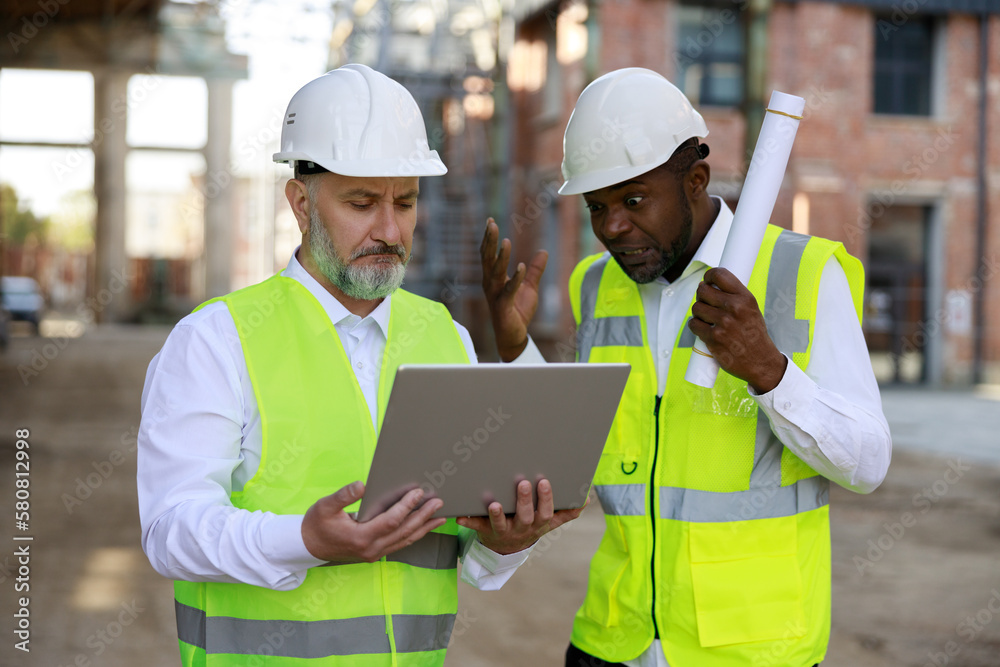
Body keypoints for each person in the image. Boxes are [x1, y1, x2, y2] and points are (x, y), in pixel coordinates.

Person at [138, 63, 581, 667]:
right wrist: (303, 541)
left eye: (405, 201)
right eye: (362, 202)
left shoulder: (444, 337)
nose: (390, 229)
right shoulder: (217, 340)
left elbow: (464, 555)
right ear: (300, 202)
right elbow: (171, 531)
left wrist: (506, 542)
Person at [481, 67, 892, 667]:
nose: (613, 227)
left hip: (750, 650)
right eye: (598, 207)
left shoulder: (801, 276)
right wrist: (518, 347)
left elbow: (869, 463)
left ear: (695, 180)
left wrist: (769, 372)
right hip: (612, 639)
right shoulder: (597, 285)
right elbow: (574, 447)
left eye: (635, 199)